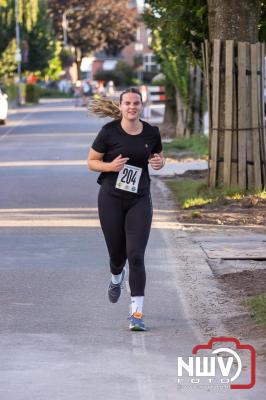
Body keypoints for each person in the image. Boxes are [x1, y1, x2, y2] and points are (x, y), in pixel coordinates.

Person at [87, 88, 165, 331]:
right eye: (127, 103)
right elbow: (91, 162)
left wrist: (160, 162)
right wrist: (110, 166)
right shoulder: (109, 132)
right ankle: (116, 276)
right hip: (110, 198)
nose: (132, 107)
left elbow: (158, 157)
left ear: (141, 106)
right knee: (117, 255)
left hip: (139, 199)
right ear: (120, 106)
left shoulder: (151, 132)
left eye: (136, 103)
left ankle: (137, 314)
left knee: (136, 255)